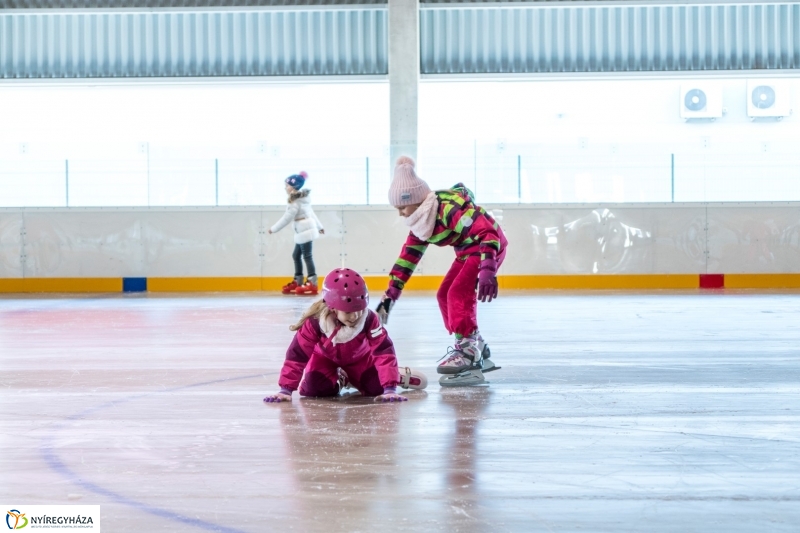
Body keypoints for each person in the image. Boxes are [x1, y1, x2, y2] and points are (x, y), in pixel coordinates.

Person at [376, 156, 508, 378]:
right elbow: (407, 259)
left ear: (416, 200)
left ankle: (468, 350)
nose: (400, 213)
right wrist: (390, 296)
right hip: (467, 251)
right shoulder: (421, 222)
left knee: (458, 292)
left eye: (402, 207)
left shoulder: (448, 209)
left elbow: (488, 232)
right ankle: (474, 342)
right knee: (443, 294)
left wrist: (488, 268)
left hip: (487, 247)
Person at [263, 268, 427, 403]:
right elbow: (297, 355)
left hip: (360, 359)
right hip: (324, 359)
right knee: (313, 390)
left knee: (376, 389)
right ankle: (343, 378)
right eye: (348, 312)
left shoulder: (369, 319)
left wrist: (390, 387)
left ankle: (393, 374)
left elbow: (383, 351)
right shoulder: (315, 323)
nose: (355, 316)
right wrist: (285, 389)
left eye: (359, 310)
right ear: (332, 307)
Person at [268, 171, 325, 295]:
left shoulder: (295, 202)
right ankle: (298, 281)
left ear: (294, 187)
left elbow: (286, 218)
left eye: (287, 185)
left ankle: (312, 283)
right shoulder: (301, 199)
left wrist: (273, 229)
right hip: (302, 231)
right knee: (296, 255)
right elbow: (312, 213)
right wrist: (319, 226)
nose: (285, 188)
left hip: (305, 231)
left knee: (307, 256)